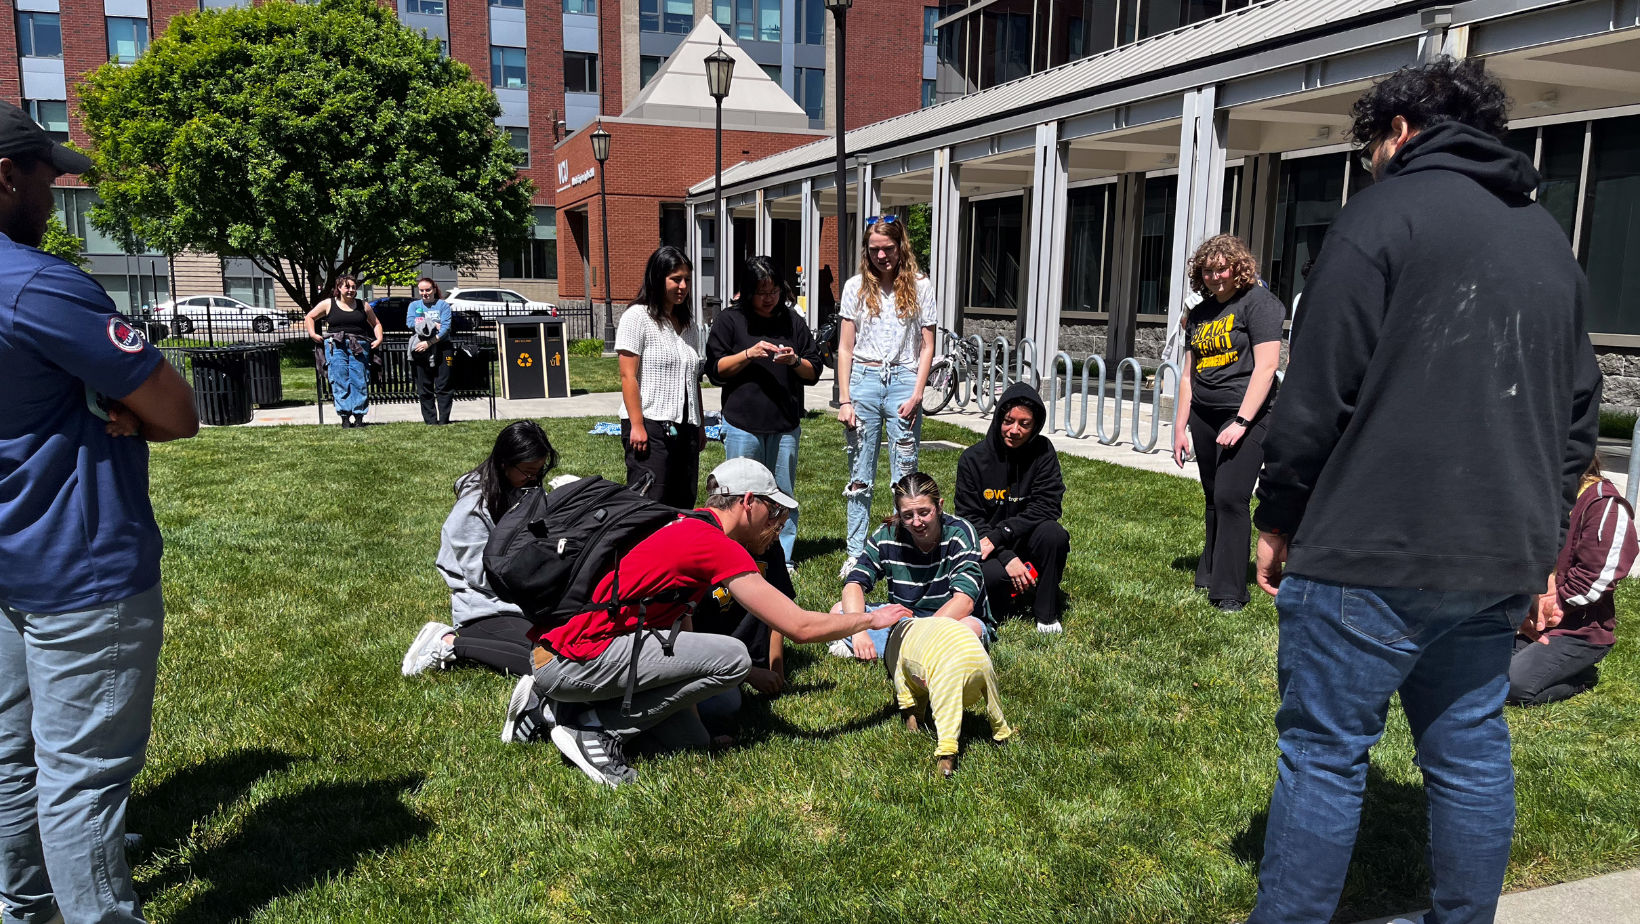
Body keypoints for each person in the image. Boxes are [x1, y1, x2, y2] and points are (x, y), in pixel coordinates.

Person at [1247, 59, 1601, 924]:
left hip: (1369, 545)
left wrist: (1277, 514)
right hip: (1495, 559)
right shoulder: (1546, 239)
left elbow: (1315, 392)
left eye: (1369, 143)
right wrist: (1543, 545)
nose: (1367, 159)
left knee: (1326, 755)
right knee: (1470, 750)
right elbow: (1580, 414)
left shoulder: (1378, 217)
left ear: (1399, 130)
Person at [1, 101, 201, 924]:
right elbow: (178, 409)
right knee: (82, 777)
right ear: (7, 175)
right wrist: (124, 403)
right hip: (80, 562)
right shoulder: (37, 284)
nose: (58, 190)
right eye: (50, 174)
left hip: (10, 558)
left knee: (13, 760)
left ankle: (24, 911)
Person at [504, 458, 907, 788]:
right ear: (748, 501)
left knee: (697, 734)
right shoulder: (712, 544)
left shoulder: (684, 522)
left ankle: (549, 707)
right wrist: (869, 619)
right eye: (774, 510)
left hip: (572, 651)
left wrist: (699, 730)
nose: (777, 523)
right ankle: (595, 729)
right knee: (732, 658)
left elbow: (683, 630)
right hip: (578, 656)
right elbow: (799, 626)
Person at [1170, 234, 1283, 612]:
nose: (1216, 276)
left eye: (1223, 268)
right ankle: (1210, 572)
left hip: (1248, 415)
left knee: (1232, 498)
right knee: (1212, 496)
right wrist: (1179, 426)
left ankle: (1231, 591)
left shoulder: (1260, 303)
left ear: (1239, 268)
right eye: (1208, 269)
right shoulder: (1200, 312)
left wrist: (1242, 420)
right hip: (1204, 413)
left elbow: (1267, 367)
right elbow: (1188, 375)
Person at [402, 421, 561, 680]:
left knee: (567, 647)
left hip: (527, 601)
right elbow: (482, 576)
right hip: (485, 606)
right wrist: (536, 576)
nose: (534, 478)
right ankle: (448, 643)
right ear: (504, 463)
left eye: (539, 471)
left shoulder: (526, 489)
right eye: (529, 472)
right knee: (544, 663)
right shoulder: (473, 506)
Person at [835, 215, 937, 579]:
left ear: (901, 247)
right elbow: (844, 348)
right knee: (860, 474)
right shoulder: (854, 287)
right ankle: (855, 551)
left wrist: (917, 393)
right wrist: (845, 398)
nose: (882, 256)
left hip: (904, 380)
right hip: (863, 378)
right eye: (874, 249)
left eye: (888, 249)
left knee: (905, 473)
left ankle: (904, 549)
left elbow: (927, 347)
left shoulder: (921, 287)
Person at [706, 256, 821, 564]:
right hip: (743, 424)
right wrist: (748, 353)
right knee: (741, 494)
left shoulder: (792, 321)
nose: (769, 298)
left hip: (784, 425)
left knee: (782, 493)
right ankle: (740, 555)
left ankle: (782, 559)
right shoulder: (730, 320)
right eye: (761, 292)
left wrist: (795, 361)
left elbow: (814, 371)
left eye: (774, 291)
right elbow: (716, 369)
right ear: (747, 290)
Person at [1509, 456, 1635, 706]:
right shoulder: (1541, 494)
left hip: (1579, 631)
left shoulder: (1604, 504)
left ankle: (1581, 677)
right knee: (1474, 672)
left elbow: (1596, 579)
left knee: (1513, 686)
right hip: (1531, 620)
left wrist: (1549, 608)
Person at [834, 472, 993, 660]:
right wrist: (858, 630)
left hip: (952, 619)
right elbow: (854, 584)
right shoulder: (886, 535)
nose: (917, 522)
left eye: (924, 513)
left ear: (939, 506)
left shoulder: (960, 533)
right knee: (839, 611)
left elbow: (964, 602)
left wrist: (921, 636)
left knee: (968, 629)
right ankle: (921, 655)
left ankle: (894, 651)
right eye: (908, 515)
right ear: (898, 513)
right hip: (906, 619)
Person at [954, 382, 1070, 633]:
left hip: (1021, 538)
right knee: (994, 577)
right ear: (998, 418)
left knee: (1055, 535)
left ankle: (1047, 615)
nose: (1014, 430)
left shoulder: (1043, 451)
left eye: (1024, 424)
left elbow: (1048, 506)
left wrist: (1001, 535)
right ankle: (1007, 601)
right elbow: (969, 517)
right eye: (1008, 421)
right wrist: (1006, 556)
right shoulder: (972, 460)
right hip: (988, 546)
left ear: (1035, 425)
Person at [617, 246, 705, 509]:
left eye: (687, 279)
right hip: (651, 424)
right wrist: (637, 424)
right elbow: (627, 375)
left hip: (686, 426)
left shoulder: (688, 325)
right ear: (658, 278)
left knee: (684, 499)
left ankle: (677, 550)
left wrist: (699, 425)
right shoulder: (637, 317)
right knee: (650, 499)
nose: (683, 286)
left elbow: (693, 379)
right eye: (675, 279)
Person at [886, 614, 1013, 777]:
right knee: (992, 699)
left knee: (945, 708)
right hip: (979, 655)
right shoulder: (920, 626)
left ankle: (946, 759)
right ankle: (1001, 734)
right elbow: (919, 685)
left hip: (950, 661)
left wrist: (912, 717)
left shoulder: (895, 648)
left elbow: (904, 689)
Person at [304, 274, 384, 428]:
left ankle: (359, 416)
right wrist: (313, 334)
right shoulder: (329, 304)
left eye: (353, 287)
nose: (351, 290)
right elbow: (310, 317)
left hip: (359, 346)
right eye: (347, 286)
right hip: (336, 346)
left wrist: (379, 338)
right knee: (340, 379)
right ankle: (345, 417)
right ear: (339, 288)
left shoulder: (363, 305)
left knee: (359, 379)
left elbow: (376, 323)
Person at [407, 277, 455, 426]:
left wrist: (429, 342)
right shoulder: (414, 305)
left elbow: (446, 328)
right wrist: (434, 323)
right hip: (420, 348)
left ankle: (443, 420)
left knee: (443, 385)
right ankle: (430, 420)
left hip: (442, 347)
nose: (425, 293)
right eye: (422, 290)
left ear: (434, 289)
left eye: (428, 290)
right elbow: (410, 324)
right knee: (424, 386)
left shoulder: (443, 305)